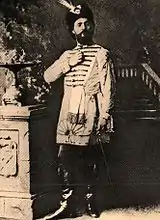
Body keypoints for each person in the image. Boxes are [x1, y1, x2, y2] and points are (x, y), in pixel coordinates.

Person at [43, 1, 115, 219]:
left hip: (90, 112)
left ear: (93, 26)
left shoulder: (102, 54)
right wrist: (68, 63)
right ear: (72, 30)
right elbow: (48, 76)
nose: (84, 27)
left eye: (87, 23)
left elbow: (108, 87)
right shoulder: (67, 55)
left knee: (90, 159)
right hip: (68, 116)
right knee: (65, 159)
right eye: (79, 24)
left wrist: (105, 114)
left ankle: (90, 201)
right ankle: (67, 203)